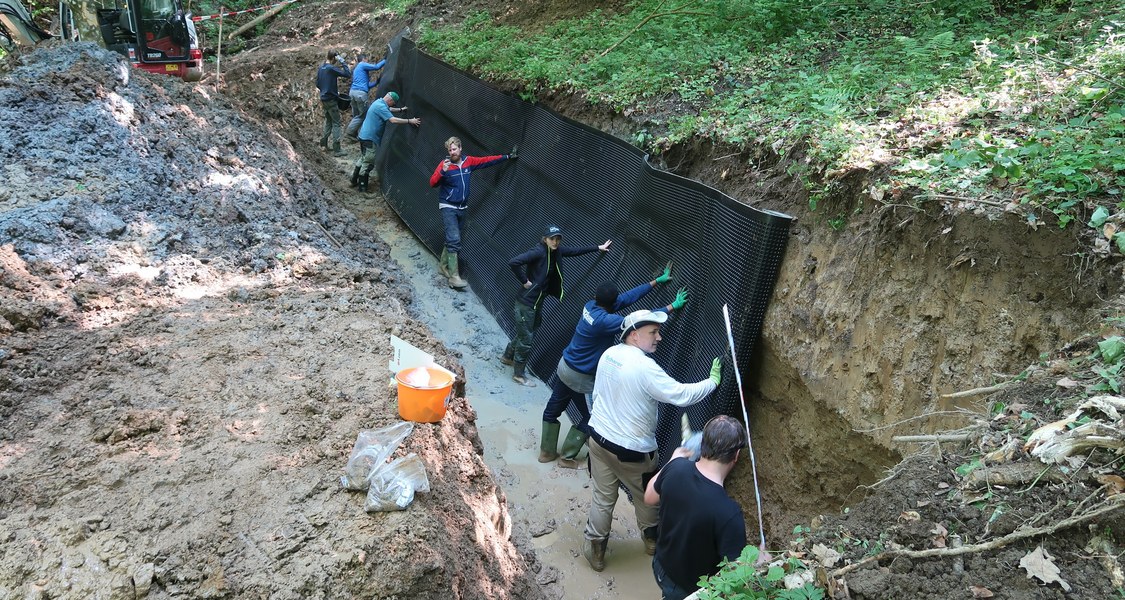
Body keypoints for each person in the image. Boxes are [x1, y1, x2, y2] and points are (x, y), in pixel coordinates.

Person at [581, 309, 722, 572]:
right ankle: (651, 543)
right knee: (646, 496)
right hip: (634, 453)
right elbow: (680, 394)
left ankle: (596, 552)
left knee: (602, 498)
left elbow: (597, 394)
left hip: (598, 441)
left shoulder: (608, 355)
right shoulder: (644, 367)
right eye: (653, 332)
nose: (659, 337)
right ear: (634, 335)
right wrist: (712, 383)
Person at [539, 264, 690, 468]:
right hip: (581, 377)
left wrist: (655, 282)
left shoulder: (591, 306)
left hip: (564, 366)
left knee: (553, 408)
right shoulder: (605, 321)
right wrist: (671, 307)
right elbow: (639, 321)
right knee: (592, 417)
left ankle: (546, 453)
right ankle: (567, 458)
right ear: (611, 303)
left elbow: (627, 298)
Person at [644, 414, 747, 600]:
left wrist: (672, 461)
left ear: (702, 443)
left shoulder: (676, 468)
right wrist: (760, 562)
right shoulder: (729, 513)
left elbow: (649, 497)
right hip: (690, 590)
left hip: (661, 565)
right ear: (736, 456)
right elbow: (736, 573)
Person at [502, 226, 611, 387]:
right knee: (527, 339)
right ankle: (518, 375)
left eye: (558, 239)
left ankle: (507, 357)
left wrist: (597, 248)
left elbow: (574, 251)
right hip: (526, 302)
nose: (555, 241)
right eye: (552, 238)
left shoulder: (556, 251)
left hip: (537, 302)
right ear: (545, 238)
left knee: (527, 332)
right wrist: (525, 281)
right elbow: (514, 262)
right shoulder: (538, 251)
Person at [429, 137, 516, 289]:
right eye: (450, 150)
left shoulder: (468, 162)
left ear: (460, 148)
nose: (452, 152)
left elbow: (486, 161)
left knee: (452, 238)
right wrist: (442, 172)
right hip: (448, 206)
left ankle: (443, 267)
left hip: (462, 207)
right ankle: (454, 277)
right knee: (454, 238)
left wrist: (506, 156)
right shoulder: (445, 165)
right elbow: (432, 183)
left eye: (454, 149)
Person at [350, 91, 419, 193]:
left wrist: (400, 109)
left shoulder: (379, 102)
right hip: (370, 138)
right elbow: (393, 120)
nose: (393, 105)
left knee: (363, 158)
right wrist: (409, 121)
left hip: (364, 136)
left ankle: (353, 180)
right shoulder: (381, 107)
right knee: (368, 162)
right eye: (393, 103)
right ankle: (362, 189)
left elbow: (389, 109)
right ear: (390, 100)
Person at [344, 54, 387, 140]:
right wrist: (385, 60)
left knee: (356, 114)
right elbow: (376, 67)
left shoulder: (357, 69)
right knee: (363, 115)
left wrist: (376, 82)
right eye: (367, 59)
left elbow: (366, 85)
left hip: (353, 92)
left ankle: (354, 134)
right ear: (364, 59)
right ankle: (349, 133)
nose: (368, 61)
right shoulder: (362, 64)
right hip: (360, 94)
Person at [316, 51, 351, 156]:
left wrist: (326, 90)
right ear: (334, 58)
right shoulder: (331, 68)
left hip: (324, 99)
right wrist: (342, 61)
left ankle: (323, 144)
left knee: (328, 121)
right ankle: (337, 149)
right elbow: (347, 74)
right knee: (336, 123)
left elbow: (318, 84)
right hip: (331, 100)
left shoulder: (321, 68)